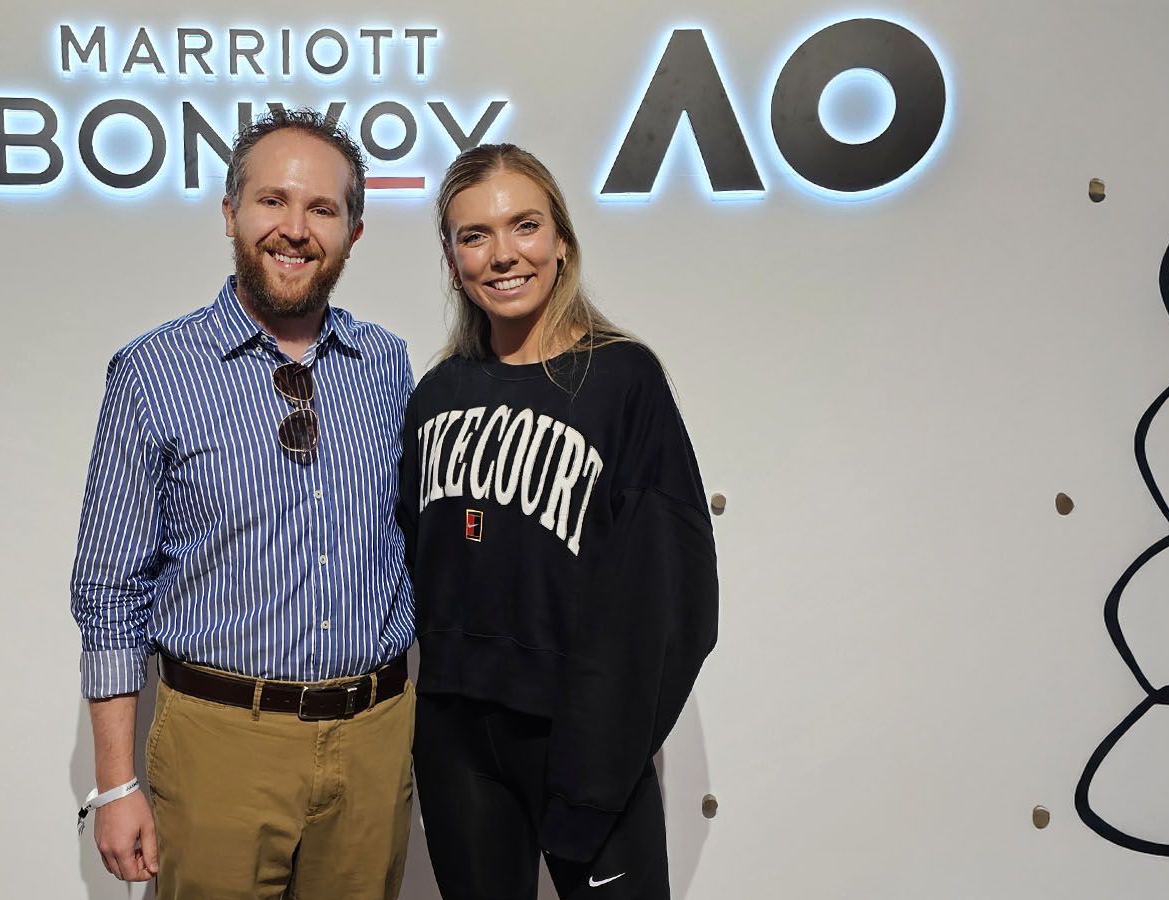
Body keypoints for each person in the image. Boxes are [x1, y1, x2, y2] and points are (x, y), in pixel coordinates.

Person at [71, 107, 416, 900]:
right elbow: (108, 590)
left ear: (353, 232)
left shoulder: (387, 366)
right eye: (272, 201)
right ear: (230, 212)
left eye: (322, 209)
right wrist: (116, 784)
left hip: (375, 739)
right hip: (221, 743)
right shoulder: (153, 371)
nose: (294, 229)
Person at [399, 144, 719, 899]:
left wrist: (594, 775)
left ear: (562, 240)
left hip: (586, 746)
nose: (503, 254)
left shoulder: (623, 380)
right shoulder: (436, 394)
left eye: (524, 226)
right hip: (456, 747)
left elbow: (672, 601)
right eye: (474, 235)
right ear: (451, 260)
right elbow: (419, 569)